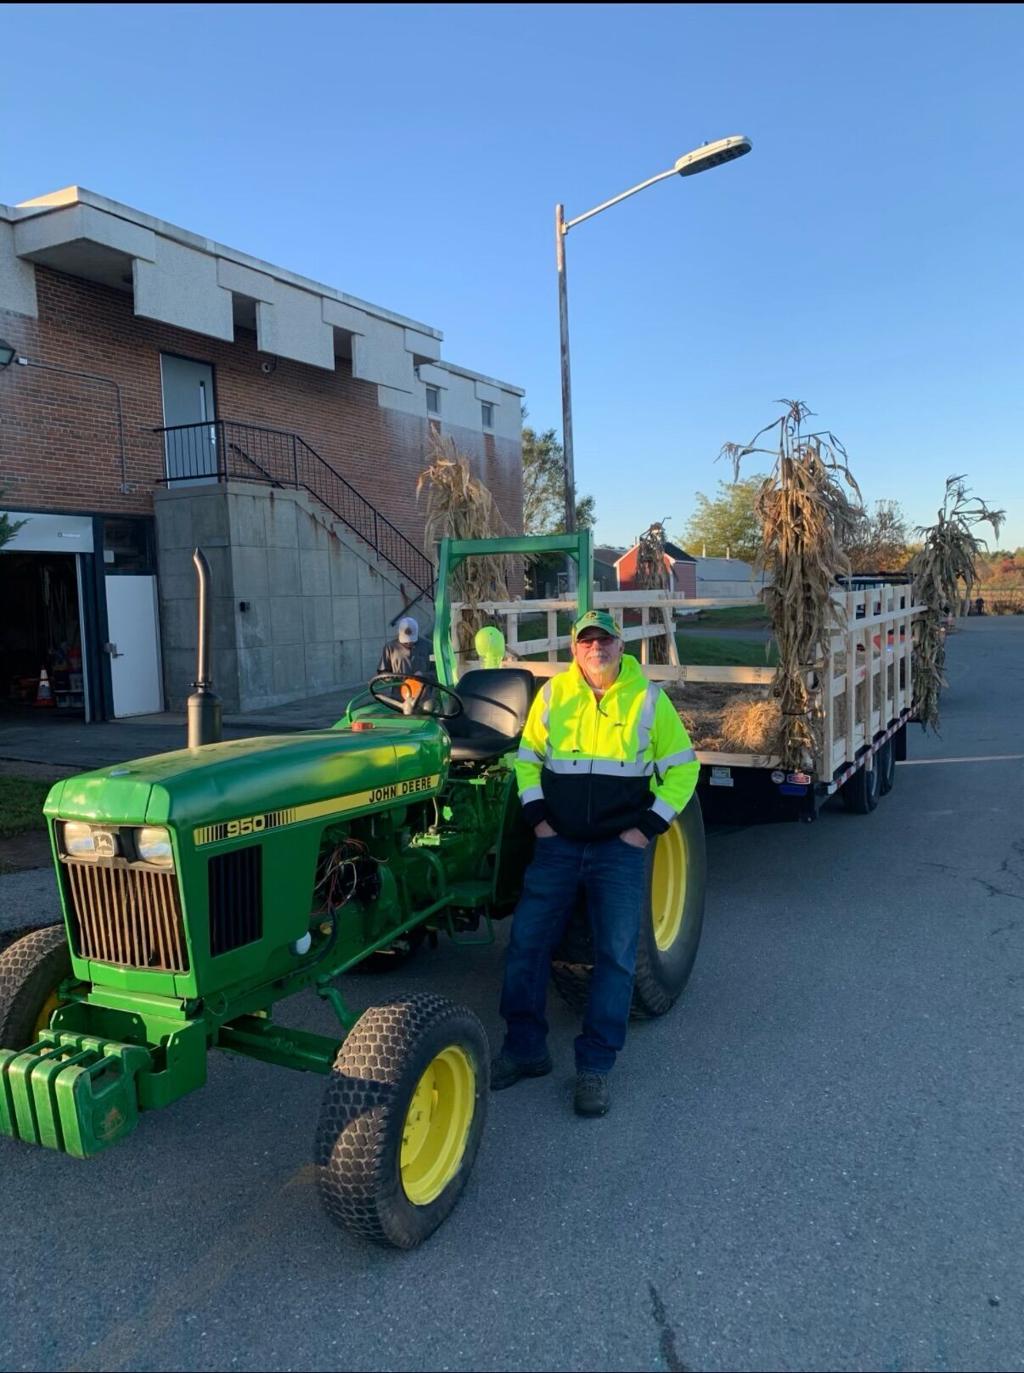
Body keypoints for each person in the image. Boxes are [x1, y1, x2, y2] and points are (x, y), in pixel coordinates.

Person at [492, 608, 700, 1117]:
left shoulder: (649, 699)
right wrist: (538, 818)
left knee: (615, 957)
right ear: (574, 650)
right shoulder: (554, 695)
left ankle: (595, 1067)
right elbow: (527, 760)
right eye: (587, 642)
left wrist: (645, 829)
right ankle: (525, 1049)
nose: (596, 649)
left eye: (604, 640)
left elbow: (683, 770)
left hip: (617, 851)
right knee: (526, 946)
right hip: (557, 845)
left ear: (620, 646)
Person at [377, 616, 434, 708]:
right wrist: (389, 678)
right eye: (406, 641)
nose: (409, 643)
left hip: (423, 698)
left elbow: (437, 671)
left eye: (411, 641)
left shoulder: (429, 646)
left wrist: (423, 675)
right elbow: (382, 672)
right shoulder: (390, 648)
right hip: (399, 698)